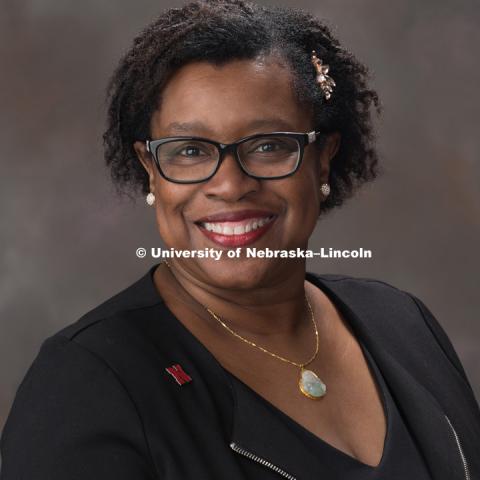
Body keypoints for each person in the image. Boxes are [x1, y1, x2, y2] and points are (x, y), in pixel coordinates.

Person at [1, 0, 479, 478]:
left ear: (324, 159)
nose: (229, 185)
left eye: (268, 145)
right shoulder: (86, 382)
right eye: (189, 150)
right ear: (151, 171)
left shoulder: (404, 323)